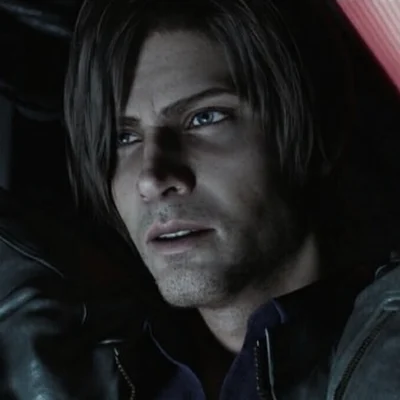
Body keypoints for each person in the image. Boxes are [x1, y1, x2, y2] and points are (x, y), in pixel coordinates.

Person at [0, 0, 399, 399]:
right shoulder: (98, 358)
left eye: (204, 118)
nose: (153, 178)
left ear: (319, 133)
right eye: (124, 137)